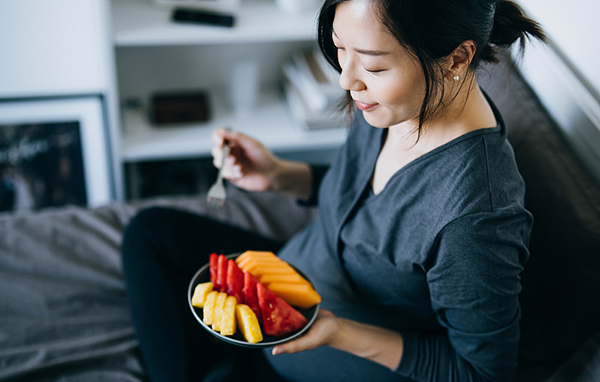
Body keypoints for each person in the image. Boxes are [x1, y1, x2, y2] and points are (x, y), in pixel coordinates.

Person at [121, 0, 545, 381]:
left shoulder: (475, 219)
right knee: (149, 232)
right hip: (298, 273)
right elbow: (370, 206)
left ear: (457, 57)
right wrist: (279, 175)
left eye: (374, 66)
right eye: (341, 50)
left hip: (321, 348)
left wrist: (339, 333)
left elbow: (482, 373)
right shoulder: (404, 99)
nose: (346, 80)